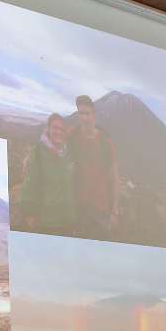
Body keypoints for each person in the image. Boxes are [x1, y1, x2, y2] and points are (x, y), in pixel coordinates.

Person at [68, 95, 118, 236]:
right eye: (81, 113)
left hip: (100, 207)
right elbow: (55, 140)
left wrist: (114, 211)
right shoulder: (73, 134)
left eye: (87, 113)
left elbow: (114, 176)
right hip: (79, 205)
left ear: (93, 114)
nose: (84, 118)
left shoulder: (105, 142)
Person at [17, 114, 75, 233]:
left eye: (61, 129)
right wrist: (29, 213)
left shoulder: (65, 154)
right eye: (55, 128)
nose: (58, 132)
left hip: (64, 220)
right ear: (48, 129)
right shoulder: (38, 152)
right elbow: (30, 184)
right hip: (45, 221)